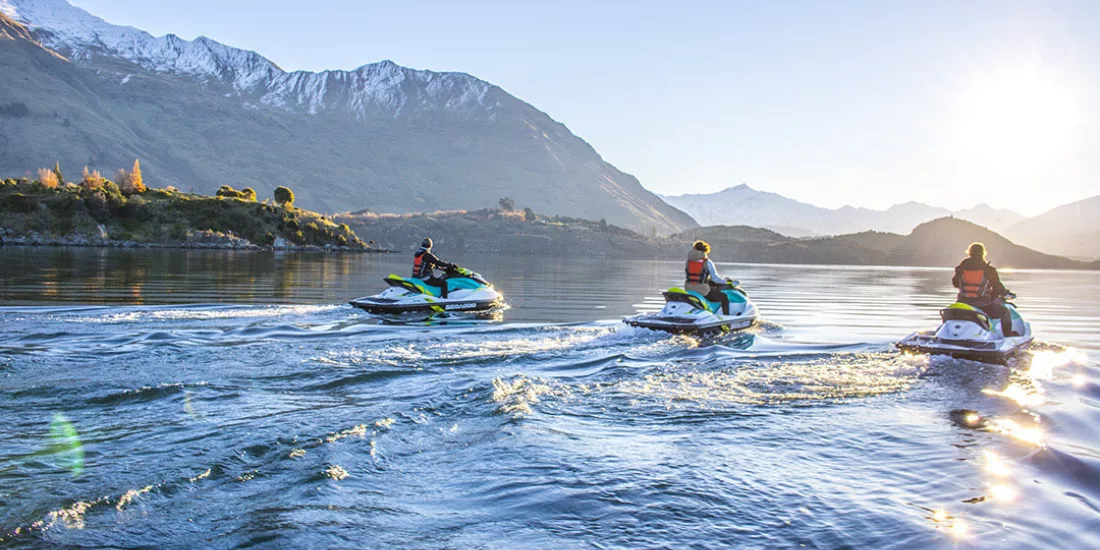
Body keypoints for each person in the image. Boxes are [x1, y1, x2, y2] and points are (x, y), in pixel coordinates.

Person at [952, 242, 1017, 336]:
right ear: (983, 253)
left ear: (969, 253)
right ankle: (1008, 336)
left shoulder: (961, 268)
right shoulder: (989, 270)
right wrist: (1006, 294)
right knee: (1005, 312)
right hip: (983, 305)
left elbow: (956, 284)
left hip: (962, 304)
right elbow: (998, 287)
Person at [684, 240, 733, 315]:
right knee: (724, 297)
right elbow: (716, 279)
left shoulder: (688, 261)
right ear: (705, 250)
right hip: (703, 292)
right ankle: (727, 319)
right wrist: (725, 280)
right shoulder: (707, 262)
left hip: (688, 290)